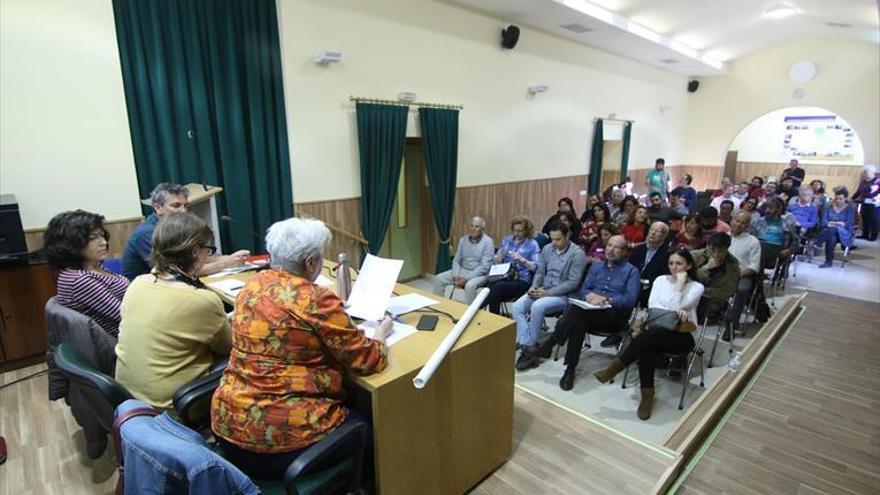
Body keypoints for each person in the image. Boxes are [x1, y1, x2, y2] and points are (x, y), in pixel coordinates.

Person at [211, 217, 387, 480]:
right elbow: (370, 359)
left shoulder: (252, 286)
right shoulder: (315, 299)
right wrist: (382, 333)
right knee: (367, 428)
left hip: (227, 427)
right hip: (281, 445)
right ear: (311, 263)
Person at [115, 212, 233, 408]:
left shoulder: (138, 284)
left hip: (129, 398)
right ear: (195, 252)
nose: (207, 256)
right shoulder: (201, 300)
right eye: (208, 250)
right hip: (172, 405)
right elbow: (228, 347)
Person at [593, 247, 704, 420]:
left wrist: (680, 286)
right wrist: (674, 309)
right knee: (648, 344)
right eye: (671, 263)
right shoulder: (660, 280)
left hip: (682, 335)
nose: (674, 267)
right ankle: (647, 395)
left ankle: (615, 368)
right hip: (655, 330)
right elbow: (653, 306)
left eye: (679, 264)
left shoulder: (697, 287)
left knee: (650, 336)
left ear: (688, 265)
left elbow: (673, 307)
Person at [526, 235, 640, 389]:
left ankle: (549, 346)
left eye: (616, 247)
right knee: (579, 320)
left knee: (576, 313)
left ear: (625, 251)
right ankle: (570, 370)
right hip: (590, 311)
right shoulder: (597, 267)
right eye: (609, 245)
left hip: (614, 315)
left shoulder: (631, 271)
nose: (611, 250)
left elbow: (630, 299)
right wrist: (590, 295)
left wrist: (607, 299)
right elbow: (584, 289)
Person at [122, 183, 249, 279]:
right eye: (176, 206)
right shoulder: (147, 233)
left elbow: (192, 259)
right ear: (158, 207)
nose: (183, 211)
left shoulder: (173, 229)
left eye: (186, 206)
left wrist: (232, 258)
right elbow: (178, 271)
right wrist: (226, 263)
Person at [512, 222, 587, 370]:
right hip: (543, 288)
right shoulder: (547, 249)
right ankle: (528, 344)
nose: (554, 243)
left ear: (567, 236)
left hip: (563, 295)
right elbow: (540, 272)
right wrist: (533, 287)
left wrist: (547, 293)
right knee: (517, 307)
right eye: (552, 239)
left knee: (538, 306)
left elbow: (572, 283)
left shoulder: (578, 254)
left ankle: (531, 349)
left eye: (558, 239)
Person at [44, 210, 130, 334]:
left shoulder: (91, 266)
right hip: (123, 340)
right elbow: (125, 315)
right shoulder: (79, 280)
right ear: (71, 244)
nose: (103, 243)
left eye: (102, 236)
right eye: (93, 238)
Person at [482, 216, 540, 314]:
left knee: (497, 288)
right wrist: (498, 258)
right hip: (504, 275)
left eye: (520, 231)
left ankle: (474, 311)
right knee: (490, 287)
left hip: (521, 280)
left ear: (526, 231)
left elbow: (537, 267)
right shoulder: (507, 240)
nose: (516, 233)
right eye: (514, 230)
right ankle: (493, 318)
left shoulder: (532, 244)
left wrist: (523, 260)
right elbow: (499, 261)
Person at [432, 216, 494, 303]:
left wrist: (465, 278)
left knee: (469, 286)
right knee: (439, 278)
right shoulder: (463, 240)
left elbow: (484, 267)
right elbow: (456, 260)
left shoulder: (488, 242)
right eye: (471, 226)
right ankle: (438, 306)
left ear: (482, 229)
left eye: (476, 226)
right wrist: (456, 276)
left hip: (480, 274)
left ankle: (471, 312)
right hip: (463, 270)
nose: (473, 229)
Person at [691, 233, 739, 330]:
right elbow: (686, 279)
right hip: (689, 295)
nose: (716, 255)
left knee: (706, 311)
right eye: (712, 250)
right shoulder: (694, 256)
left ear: (727, 249)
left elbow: (726, 291)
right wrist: (706, 268)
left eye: (721, 251)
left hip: (711, 299)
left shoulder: (732, 265)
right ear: (707, 246)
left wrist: (699, 290)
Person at [728, 212, 762, 333]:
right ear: (732, 221)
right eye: (737, 221)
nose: (739, 225)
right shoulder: (723, 236)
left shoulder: (753, 242)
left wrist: (737, 275)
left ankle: (732, 324)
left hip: (742, 275)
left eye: (743, 223)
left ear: (747, 226)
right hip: (722, 273)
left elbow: (754, 266)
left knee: (742, 289)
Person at [750, 197, 798, 270]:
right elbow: (750, 236)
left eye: (771, 208)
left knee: (762, 251)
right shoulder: (759, 221)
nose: (767, 210)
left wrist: (789, 250)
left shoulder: (786, 223)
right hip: (758, 246)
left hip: (776, 248)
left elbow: (796, 240)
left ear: (779, 210)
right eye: (767, 208)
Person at [816, 187, 856, 268]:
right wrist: (838, 223)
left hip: (844, 233)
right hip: (828, 232)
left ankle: (816, 244)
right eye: (836, 198)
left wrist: (833, 223)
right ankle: (828, 261)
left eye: (840, 199)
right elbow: (823, 222)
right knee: (832, 237)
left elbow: (849, 223)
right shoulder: (828, 207)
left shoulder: (850, 209)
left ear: (845, 198)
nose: (838, 201)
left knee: (834, 229)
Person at [853, 164, 880, 241]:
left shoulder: (877, 181)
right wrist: (852, 198)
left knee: (874, 220)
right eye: (864, 173)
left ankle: (873, 236)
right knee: (865, 219)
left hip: (874, 204)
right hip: (864, 203)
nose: (865, 174)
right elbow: (858, 191)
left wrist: (877, 198)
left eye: (866, 172)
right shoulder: (863, 182)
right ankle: (865, 234)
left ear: (872, 172)